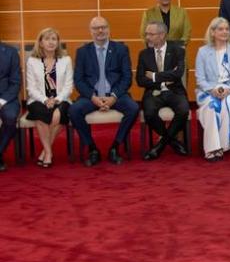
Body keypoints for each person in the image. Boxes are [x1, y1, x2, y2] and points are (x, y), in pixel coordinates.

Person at [69, 16, 139, 167]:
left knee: (133, 108)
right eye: (96, 28)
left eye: (103, 27)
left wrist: (113, 97)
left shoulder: (121, 49)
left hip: (115, 95)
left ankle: (115, 146)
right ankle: (92, 148)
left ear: (109, 29)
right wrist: (93, 97)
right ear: (90, 31)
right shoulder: (82, 52)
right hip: (91, 96)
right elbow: (79, 80)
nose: (100, 30)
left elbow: (127, 77)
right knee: (74, 110)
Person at [136, 21, 190, 161]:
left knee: (183, 110)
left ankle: (159, 146)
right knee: (149, 113)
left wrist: (154, 76)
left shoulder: (178, 50)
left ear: (162, 35)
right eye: (147, 34)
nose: (147, 37)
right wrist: (165, 79)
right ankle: (172, 141)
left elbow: (178, 74)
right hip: (153, 92)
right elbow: (140, 80)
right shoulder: (144, 54)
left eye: (151, 34)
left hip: (175, 91)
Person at [195, 17, 230, 161]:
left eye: (227, 29)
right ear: (212, 32)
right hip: (208, 91)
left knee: (227, 104)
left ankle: (219, 147)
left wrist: (228, 89)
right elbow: (200, 79)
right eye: (220, 29)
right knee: (212, 107)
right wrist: (212, 90)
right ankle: (214, 148)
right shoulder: (203, 51)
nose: (225, 32)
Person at [25, 28, 73, 168]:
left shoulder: (66, 60)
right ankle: (48, 152)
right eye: (47, 39)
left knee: (57, 117)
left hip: (61, 98)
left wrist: (57, 100)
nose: (51, 42)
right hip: (39, 99)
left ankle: (45, 152)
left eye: (54, 39)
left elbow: (69, 86)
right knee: (41, 114)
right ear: (40, 43)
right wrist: (45, 100)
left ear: (58, 42)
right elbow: (31, 88)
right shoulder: (32, 61)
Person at [0, 41, 21, 172]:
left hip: (7, 97)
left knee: (10, 117)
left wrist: (2, 101)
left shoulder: (11, 52)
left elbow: (16, 82)